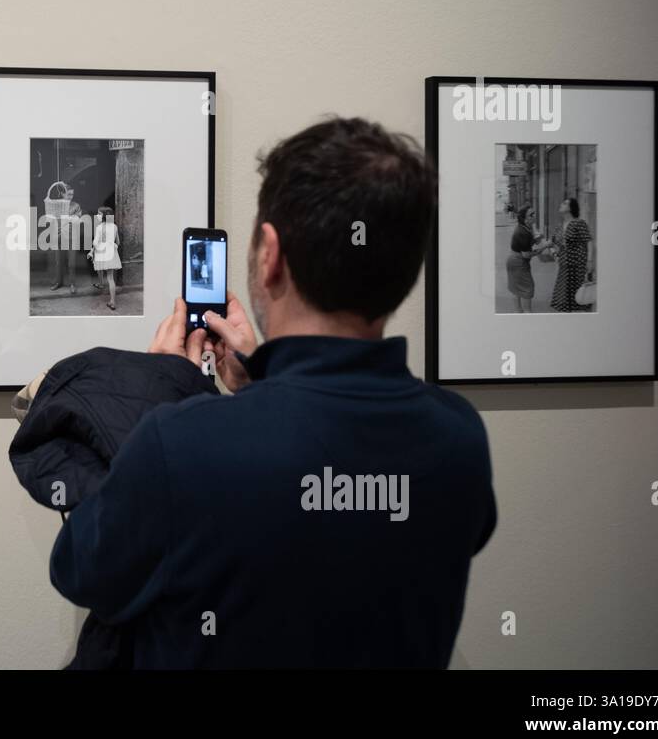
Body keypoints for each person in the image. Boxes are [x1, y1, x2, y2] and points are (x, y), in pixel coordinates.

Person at [48, 116, 497, 668]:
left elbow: (80, 569)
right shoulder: (459, 438)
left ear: (270, 254)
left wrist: (156, 388)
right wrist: (264, 379)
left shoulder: (182, 442)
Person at [549, 197, 594, 312]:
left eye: (565, 203)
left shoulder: (578, 223)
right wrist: (552, 253)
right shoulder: (560, 226)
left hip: (578, 265)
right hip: (564, 265)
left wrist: (589, 261)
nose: (561, 204)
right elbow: (552, 242)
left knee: (580, 295)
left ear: (571, 208)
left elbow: (588, 241)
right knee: (564, 295)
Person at [506, 205, 547, 312]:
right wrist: (543, 247)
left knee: (516, 289)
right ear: (525, 218)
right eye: (531, 215)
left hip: (513, 260)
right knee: (527, 289)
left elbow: (526, 243)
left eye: (534, 213)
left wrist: (537, 238)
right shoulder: (523, 232)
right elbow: (526, 254)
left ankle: (518, 312)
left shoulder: (524, 227)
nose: (534, 216)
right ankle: (527, 314)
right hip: (518, 263)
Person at [48, 185, 83, 295]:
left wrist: (68, 218)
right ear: (62, 194)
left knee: (71, 263)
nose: (71, 196)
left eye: (72, 194)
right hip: (58, 237)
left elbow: (78, 220)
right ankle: (59, 282)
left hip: (71, 237)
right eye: (68, 194)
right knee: (58, 262)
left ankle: (72, 284)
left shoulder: (76, 206)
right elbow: (50, 219)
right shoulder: (57, 206)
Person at [88, 206, 122, 311]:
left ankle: (101, 283)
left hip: (101, 253)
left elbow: (95, 242)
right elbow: (118, 242)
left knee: (99, 267)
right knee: (110, 278)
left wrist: (91, 251)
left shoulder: (99, 228)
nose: (97, 215)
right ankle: (112, 301)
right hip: (111, 253)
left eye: (99, 214)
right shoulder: (114, 226)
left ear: (103, 216)